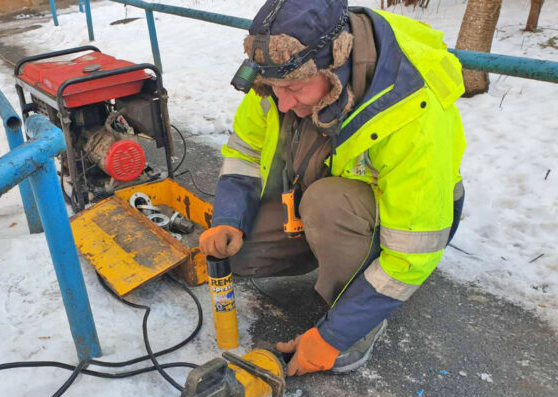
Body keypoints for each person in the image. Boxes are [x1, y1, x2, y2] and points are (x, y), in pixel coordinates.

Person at [198, 0, 466, 376]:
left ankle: (358, 326)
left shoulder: (411, 111)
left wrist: (333, 336)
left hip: (405, 222)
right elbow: (244, 152)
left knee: (327, 205)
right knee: (239, 254)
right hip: (318, 197)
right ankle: (329, 250)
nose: (284, 103)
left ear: (336, 64)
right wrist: (228, 218)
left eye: (296, 88)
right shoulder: (279, 85)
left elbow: (413, 252)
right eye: (276, 89)